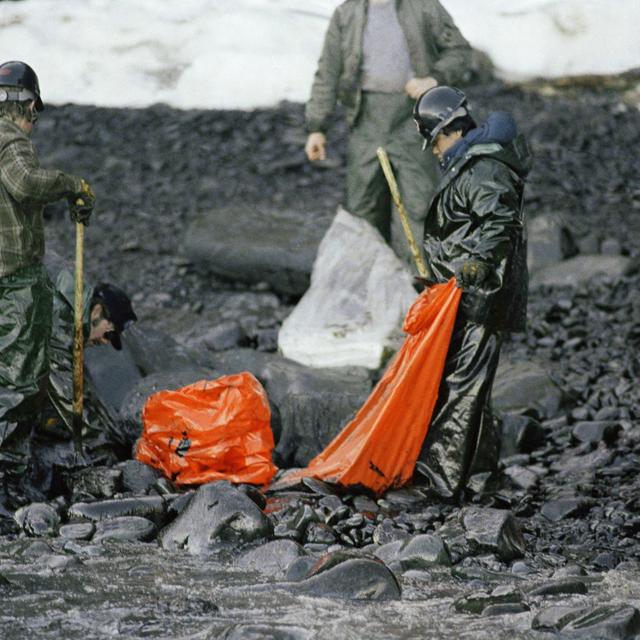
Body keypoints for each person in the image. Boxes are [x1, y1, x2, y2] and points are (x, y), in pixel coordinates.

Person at [412, 86, 531, 502]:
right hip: (465, 293)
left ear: (450, 130)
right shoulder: (472, 162)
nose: (433, 151)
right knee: (470, 383)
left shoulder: (483, 168)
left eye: (435, 140)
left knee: (462, 383)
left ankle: (442, 477)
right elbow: (461, 231)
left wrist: (478, 264)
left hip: (482, 295)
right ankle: (481, 474)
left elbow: (498, 220)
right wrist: (439, 276)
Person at [304, 0, 472, 264]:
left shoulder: (423, 7)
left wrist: (434, 79)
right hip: (366, 121)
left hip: (414, 121)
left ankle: (420, 289)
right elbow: (327, 72)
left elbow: (460, 51)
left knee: (419, 205)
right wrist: (317, 127)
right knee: (364, 209)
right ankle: (371, 286)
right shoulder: (346, 14)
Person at [0, 60, 96, 505]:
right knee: (19, 379)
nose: (33, 121)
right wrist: (70, 184)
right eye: (33, 110)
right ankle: (6, 477)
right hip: (13, 279)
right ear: (26, 104)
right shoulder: (10, 139)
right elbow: (24, 182)